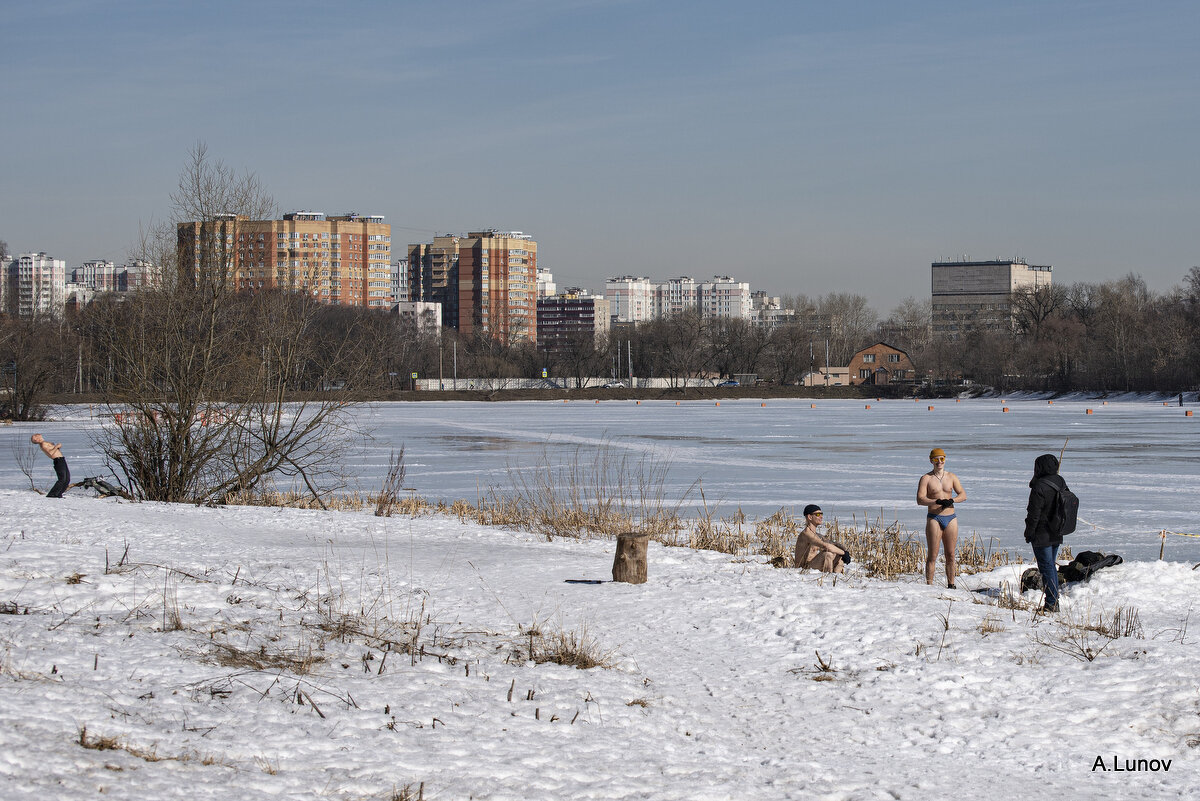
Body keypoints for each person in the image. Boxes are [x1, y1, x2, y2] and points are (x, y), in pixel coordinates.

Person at [916, 447, 966, 588]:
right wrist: (936, 501)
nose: (939, 462)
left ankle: (951, 584)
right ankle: (929, 585)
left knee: (950, 554)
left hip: (951, 518)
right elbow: (920, 499)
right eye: (936, 459)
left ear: (945, 459)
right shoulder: (926, 478)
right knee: (933, 554)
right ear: (931, 460)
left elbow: (963, 494)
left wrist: (952, 500)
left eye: (942, 459)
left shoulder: (952, 477)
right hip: (934, 518)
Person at [1024, 453, 1066, 612]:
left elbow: (1034, 513)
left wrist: (1029, 532)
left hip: (1042, 533)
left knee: (1047, 568)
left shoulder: (1039, 486)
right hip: (1057, 530)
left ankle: (1051, 603)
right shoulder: (1060, 481)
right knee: (1050, 567)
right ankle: (1053, 600)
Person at [793, 504, 846, 573]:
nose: (821, 517)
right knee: (828, 554)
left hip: (813, 565)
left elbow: (831, 543)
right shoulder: (806, 534)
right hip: (804, 568)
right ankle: (829, 577)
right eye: (818, 515)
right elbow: (825, 546)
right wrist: (844, 553)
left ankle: (837, 577)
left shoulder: (815, 534)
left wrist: (844, 552)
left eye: (821, 514)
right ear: (810, 517)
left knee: (838, 554)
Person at [31, 433, 70, 498]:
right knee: (62, 479)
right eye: (37, 436)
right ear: (37, 439)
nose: (39, 435)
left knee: (67, 479)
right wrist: (56, 446)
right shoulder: (43, 444)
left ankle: (59, 494)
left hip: (61, 459)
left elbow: (53, 451)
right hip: (57, 460)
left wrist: (58, 447)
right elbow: (51, 453)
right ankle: (52, 494)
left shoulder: (45, 443)